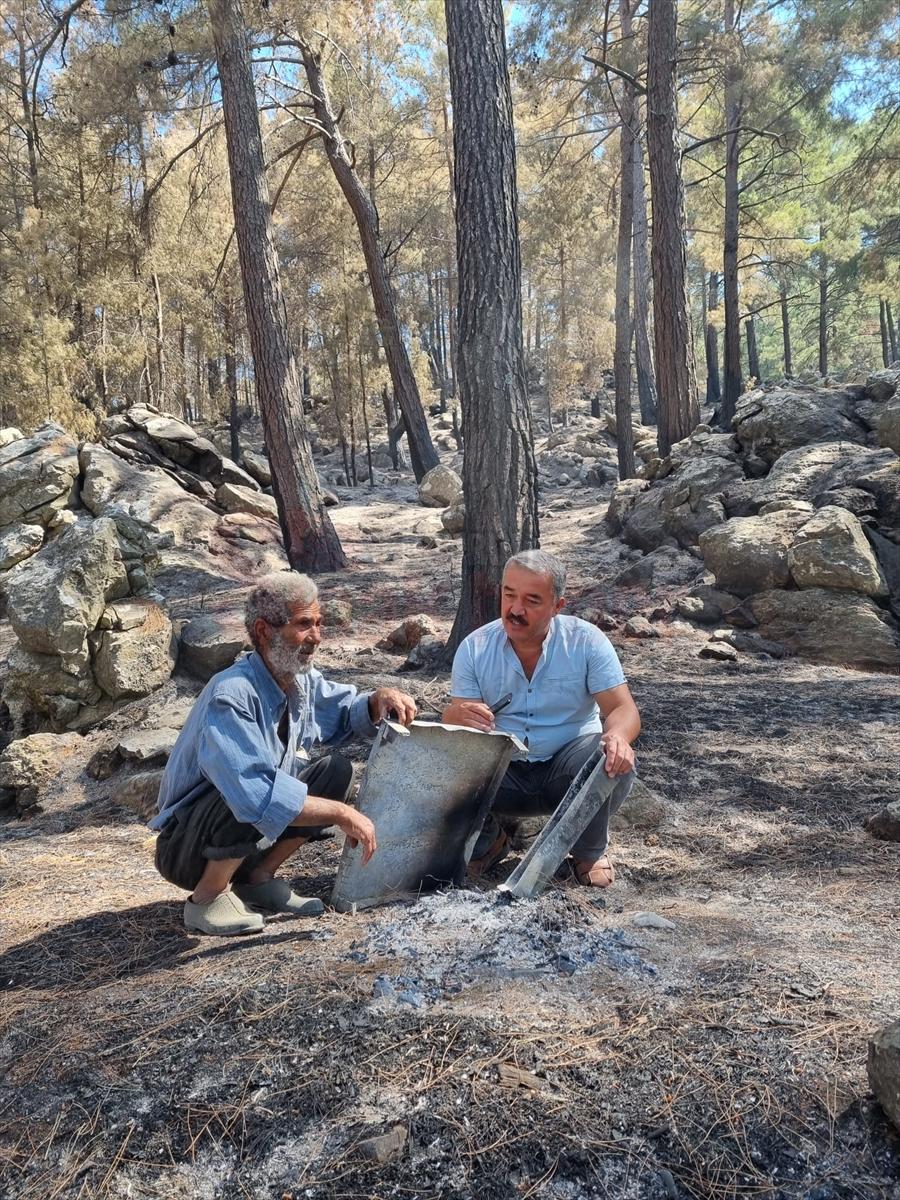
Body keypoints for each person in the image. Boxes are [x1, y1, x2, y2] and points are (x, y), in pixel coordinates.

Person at [151, 572, 416, 935]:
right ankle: (207, 898)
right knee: (246, 787)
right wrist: (341, 813)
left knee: (335, 771)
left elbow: (342, 711)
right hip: (187, 848)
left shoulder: (298, 679)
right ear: (264, 631)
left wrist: (376, 700)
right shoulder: (232, 694)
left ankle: (258, 878)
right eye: (304, 624)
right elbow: (252, 793)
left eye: (319, 624)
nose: (317, 637)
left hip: (240, 830)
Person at [442, 549, 639, 888]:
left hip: (568, 771)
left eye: (532, 601)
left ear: (557, 606)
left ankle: (588, 852)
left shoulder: (586, 642)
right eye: (509, 595)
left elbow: (624, 710)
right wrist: (455, 717)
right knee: (440, 758)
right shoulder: (475, 648)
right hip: (504, 774)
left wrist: (618, 736)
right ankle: (488, 844)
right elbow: (461, 724)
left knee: (608, 756)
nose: (515, 610)